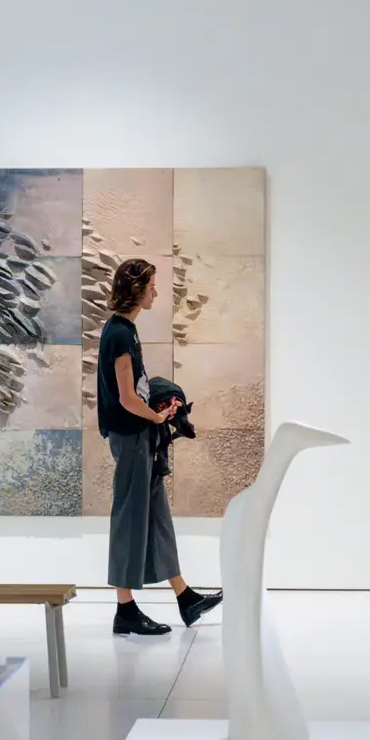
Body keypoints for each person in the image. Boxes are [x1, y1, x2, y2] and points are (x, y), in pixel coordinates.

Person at [98, 258, 223, 636]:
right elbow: (124, 397)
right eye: (152, 284)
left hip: (141, 438)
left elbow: (134, 390)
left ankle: (186, 598)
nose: (157, 290)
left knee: (157, 519)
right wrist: (156, 418)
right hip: (132, 438)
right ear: (136, 288)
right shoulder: (119, 333)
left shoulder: (126, 330)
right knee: (129, 520)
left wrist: (158, 410)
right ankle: (125, 610)